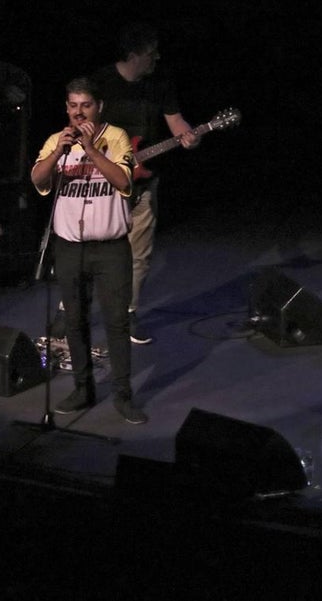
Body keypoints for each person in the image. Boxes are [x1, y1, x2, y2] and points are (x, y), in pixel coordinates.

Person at [30, 77, 146, 424]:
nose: (79, 113)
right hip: (69, 247)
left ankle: (123, 395)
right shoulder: (56, 141)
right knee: (76, 322)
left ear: (99, 107)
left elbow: (124, 181)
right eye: (73, 106)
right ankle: (83, 389)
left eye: (86, 105)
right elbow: (38, 180)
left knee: (116, 322)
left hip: (110, 249)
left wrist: (92, 149)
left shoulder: (117, 137)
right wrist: (58, 152)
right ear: (67, 109)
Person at [87, 22, 200, 344]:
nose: (157, 58)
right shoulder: (101, 83)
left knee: (139, 253)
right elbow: (85, 130)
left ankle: (129, 313)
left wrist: (188, 136)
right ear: (134, 54)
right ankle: (71, 309)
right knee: (96, 250)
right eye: (151, 53)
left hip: (146, 181)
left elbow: (176, 121)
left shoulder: (160, 83)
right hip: (106, 180)